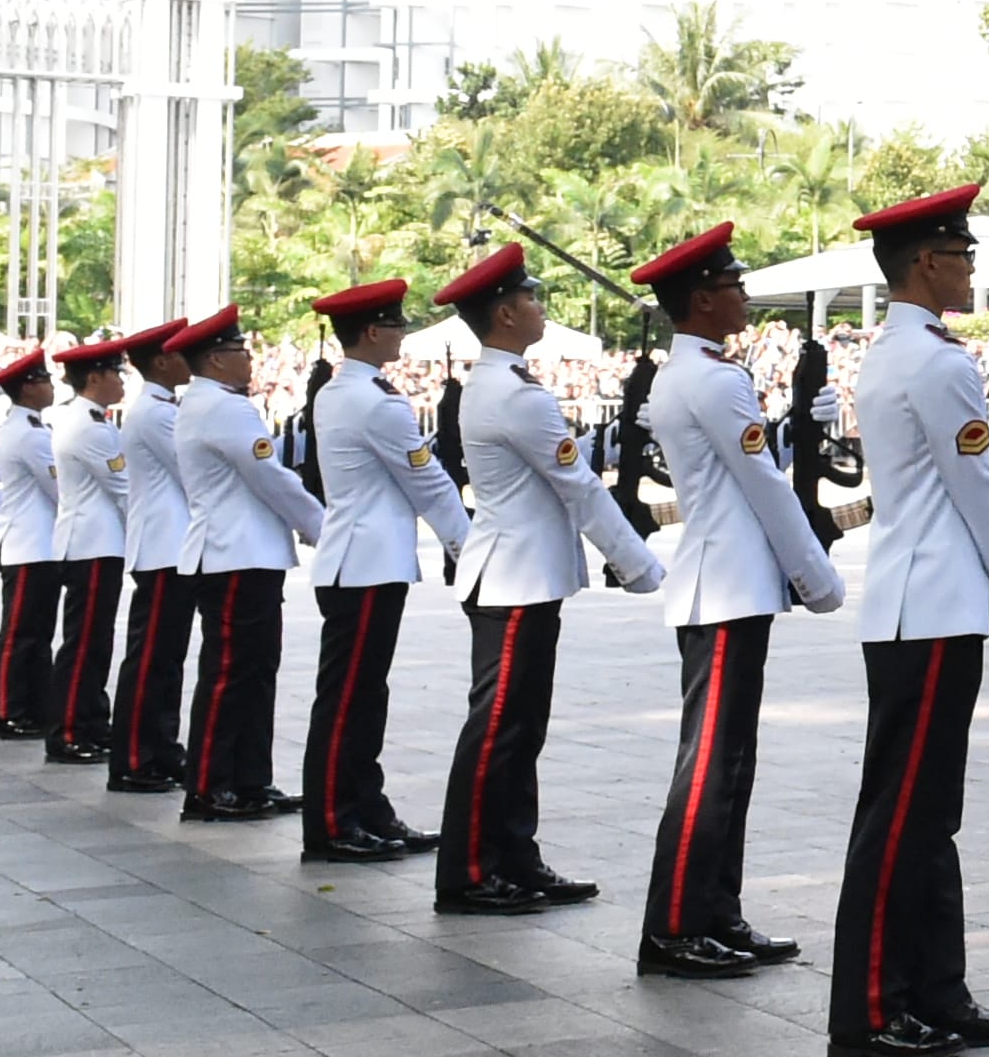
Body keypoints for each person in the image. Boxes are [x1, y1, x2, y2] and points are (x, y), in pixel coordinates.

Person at [831, 182, 989, 1057]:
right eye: (962, 256)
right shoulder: (936, 362)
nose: (970, 269)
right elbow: (981, 494)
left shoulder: (902, 352)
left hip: (916, 605)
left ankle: (934, 989)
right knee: (904, 817)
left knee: (928, 813)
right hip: (930, 609)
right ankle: (875, 1007)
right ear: (927, 263)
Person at [635, 223, 842, 978]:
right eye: (733, 285)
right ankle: (676, 926)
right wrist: (816, 577)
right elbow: (764, 489)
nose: (744, 295)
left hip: (722, 584)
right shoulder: (717, 380)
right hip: (726, 587)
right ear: (701, 300)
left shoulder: (690, 373)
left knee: (730, 763)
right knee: (711, 767)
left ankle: (716, 911)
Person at [429, 244, 656, 916]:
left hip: (522, 578)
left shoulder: (506, 385)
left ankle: (514, 857)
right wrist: (636, 562)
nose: (539, 306)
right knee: (498, 730)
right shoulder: (513, 394)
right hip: (514, 580)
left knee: (521, 730)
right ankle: (470, 872)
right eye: (530, 298)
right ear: (504, 313)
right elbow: (579, 488)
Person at [299, 279, 470, 857]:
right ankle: (332, 822)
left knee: (363, 695)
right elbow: (429, 482)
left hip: (360, 561)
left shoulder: (343, 390)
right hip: (366, 565)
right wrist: (466, 550)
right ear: (372, 331)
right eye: (395, 324)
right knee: (349, 698)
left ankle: (366, 808)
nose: (401, 333)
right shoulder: (375, 400)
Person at [175, 309, 322, 818]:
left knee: (254, 671)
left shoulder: (206, 402)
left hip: (237, 553)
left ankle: (249, 780)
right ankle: (212, 786)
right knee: (233, 674)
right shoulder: (226, 409)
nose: (250, 360)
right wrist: (322, 527)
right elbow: (271, 478)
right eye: (241, 352)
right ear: (216, 359)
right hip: (235, 554)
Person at [108, 321, 204, 792]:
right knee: (151, 658)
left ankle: (160, 749)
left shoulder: (160, 407)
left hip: (171, 543)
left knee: (166, 658)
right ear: (162, 361)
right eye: (181, 353)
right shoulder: (156, 412)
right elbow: (193, 472)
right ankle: (134, 755)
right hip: (164, 544)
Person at [41, 337, 131, 763]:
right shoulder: (88, 427)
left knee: (95, 641)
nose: (122, 380)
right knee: (84, 643)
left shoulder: (92, 420)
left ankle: (92, 721)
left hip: (96, 543)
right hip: (92, 544)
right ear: (95, 377)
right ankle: (70, 731)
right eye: (116, 373)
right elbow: (124, 490)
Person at [0, 349, 62, 736]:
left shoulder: (30, 427)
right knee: (21, 632)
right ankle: (9, 711)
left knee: (36, 631)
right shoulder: (28, 433)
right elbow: (59, 489)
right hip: (29, 544)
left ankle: (32, 706)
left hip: (37, 543)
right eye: (44, 380)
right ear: (28, 388)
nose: (50, 387)